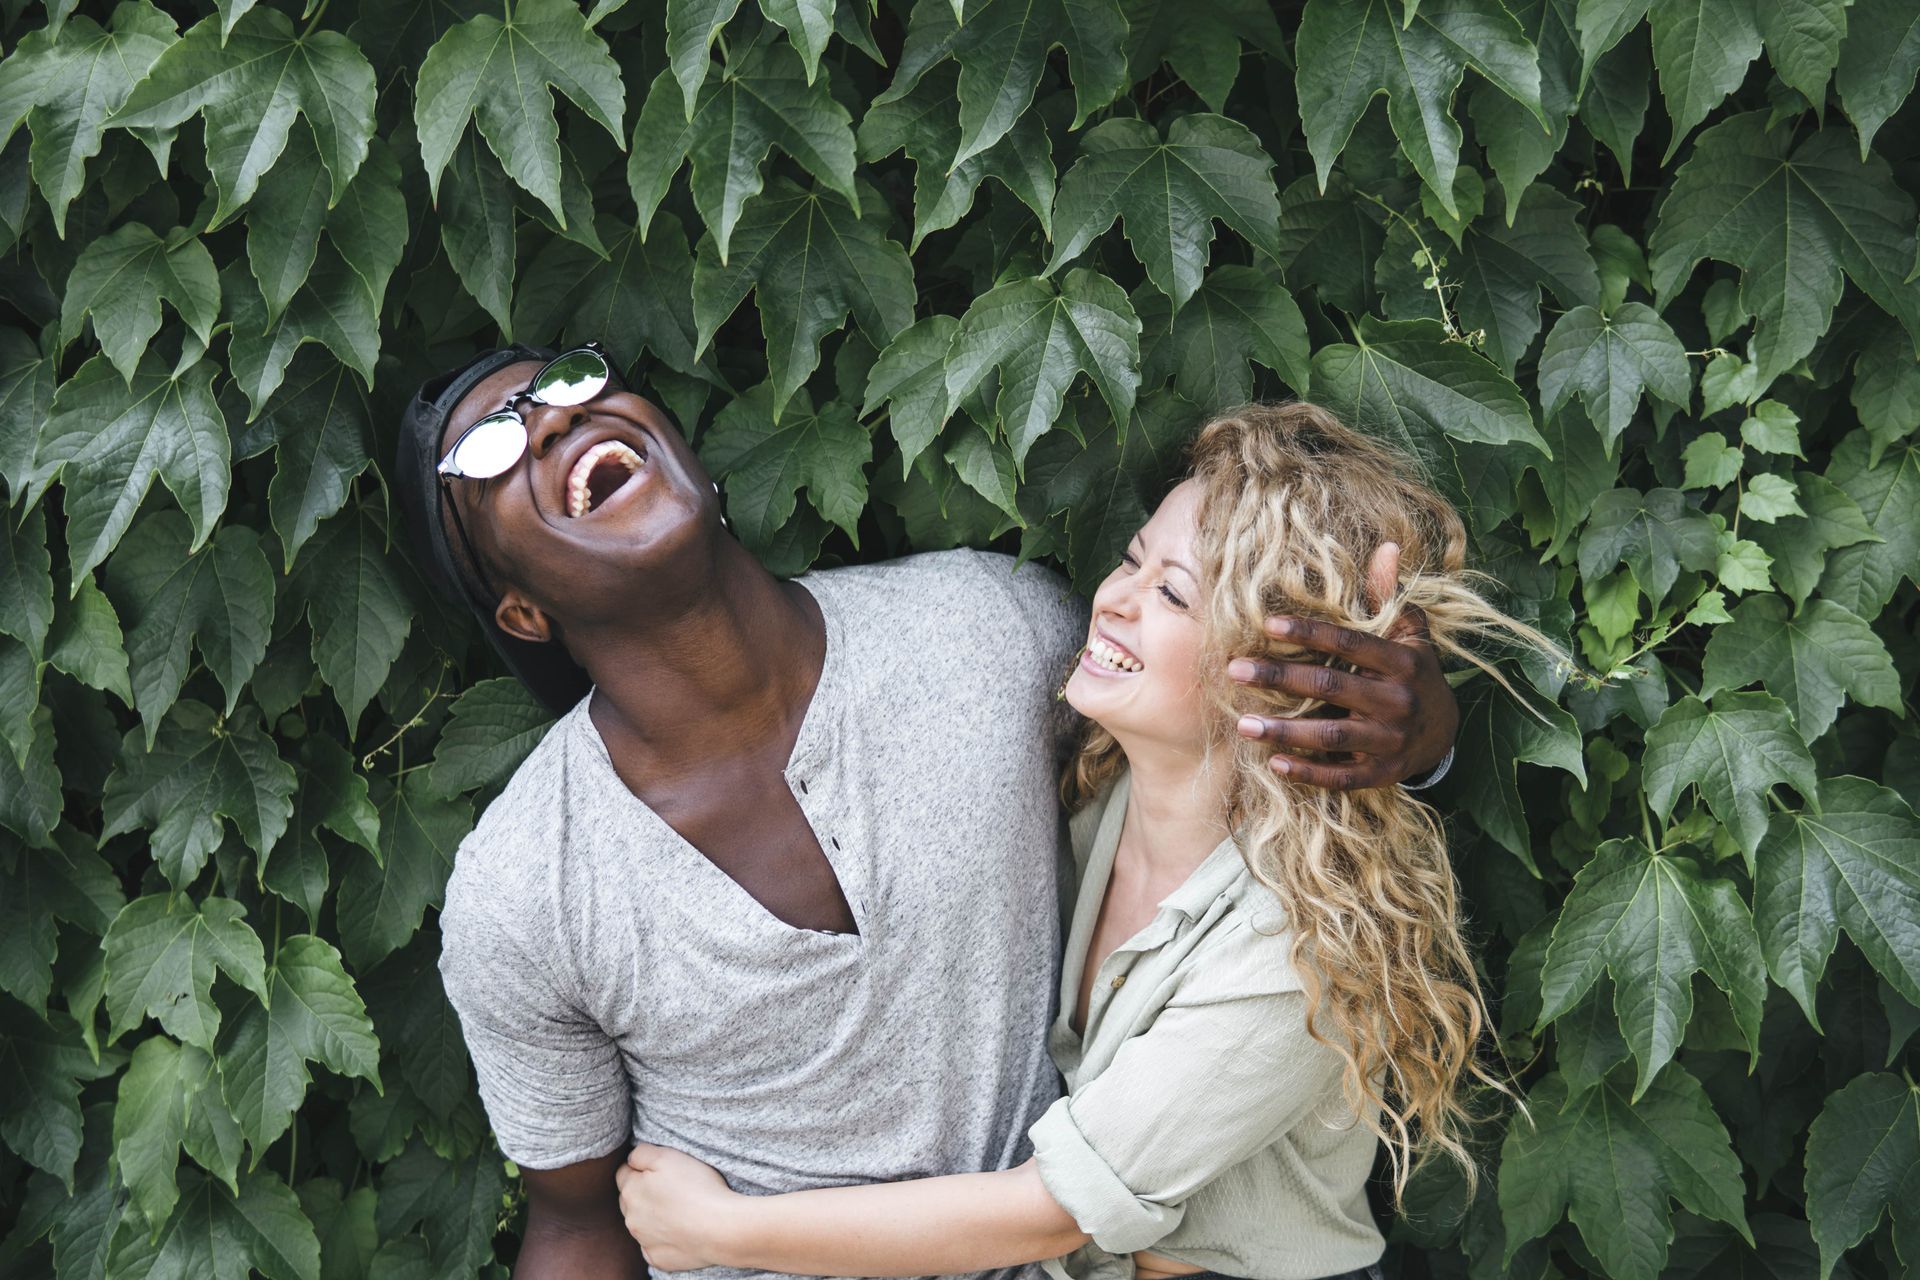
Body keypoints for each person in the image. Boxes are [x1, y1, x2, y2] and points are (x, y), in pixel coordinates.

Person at [393, 346, 1460, 1280]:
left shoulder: (995, 630)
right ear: (520, 613)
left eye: (574, 384)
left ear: (702, 468)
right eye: (488, 446)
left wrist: (1420, 736)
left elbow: (1243, 732)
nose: (554, 417)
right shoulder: (524, 885)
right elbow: (579, 1219)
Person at [613, 403, 1548, 1280]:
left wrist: (721, 1230)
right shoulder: (1093, 799)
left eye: (1174, 594)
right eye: (1133, 560)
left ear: (1284, 675)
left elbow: (1054, 1209)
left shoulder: (1295, 941)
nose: (1116, 601)